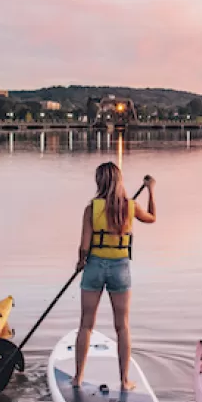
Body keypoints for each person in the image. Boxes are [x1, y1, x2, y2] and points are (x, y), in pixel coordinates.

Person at [73, 162, 156, 390]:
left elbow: (84, 246)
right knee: (122, 327)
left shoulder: (92, 208)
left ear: (99, 181)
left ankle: (78, 378)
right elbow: (151, 218)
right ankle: (124, 380)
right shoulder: (130, 207)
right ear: (119, 181)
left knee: (86, 325)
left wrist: (81, 262)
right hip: (120, 268)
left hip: (95, 267)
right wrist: (151, 190)